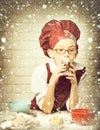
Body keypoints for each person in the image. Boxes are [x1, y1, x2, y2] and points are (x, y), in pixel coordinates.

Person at [30, 19, 86, 114]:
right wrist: (52, 82)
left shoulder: (81, 71)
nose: (66, 55)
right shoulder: (41, 71)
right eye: (60, 50)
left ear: (76, 53)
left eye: (71, 50)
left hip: (63, 115)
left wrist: (74, 84)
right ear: (51, 53)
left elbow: (74, 109)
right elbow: (47, 109)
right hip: (40, 114)